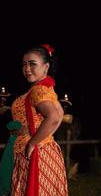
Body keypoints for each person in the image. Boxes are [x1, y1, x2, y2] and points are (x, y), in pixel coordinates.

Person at [10, 44, 68, 196]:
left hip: (34, 154)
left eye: (32, 64)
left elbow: (54, 117)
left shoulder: (38, 90)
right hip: (46, 151)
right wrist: (45, 138)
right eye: (24, 64)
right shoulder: (45, 88)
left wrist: (33, 142)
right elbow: (60, 114)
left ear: (46, 66)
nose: (27, 68)